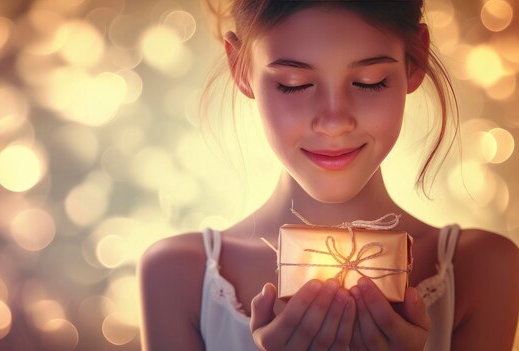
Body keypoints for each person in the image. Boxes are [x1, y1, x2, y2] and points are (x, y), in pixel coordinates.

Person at [138, 1, 519, 350]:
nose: (334, 121)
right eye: (294, 84)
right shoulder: (178, 276)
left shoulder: (481, 270)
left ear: (414, 60)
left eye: (369, 81)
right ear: (240, 68)